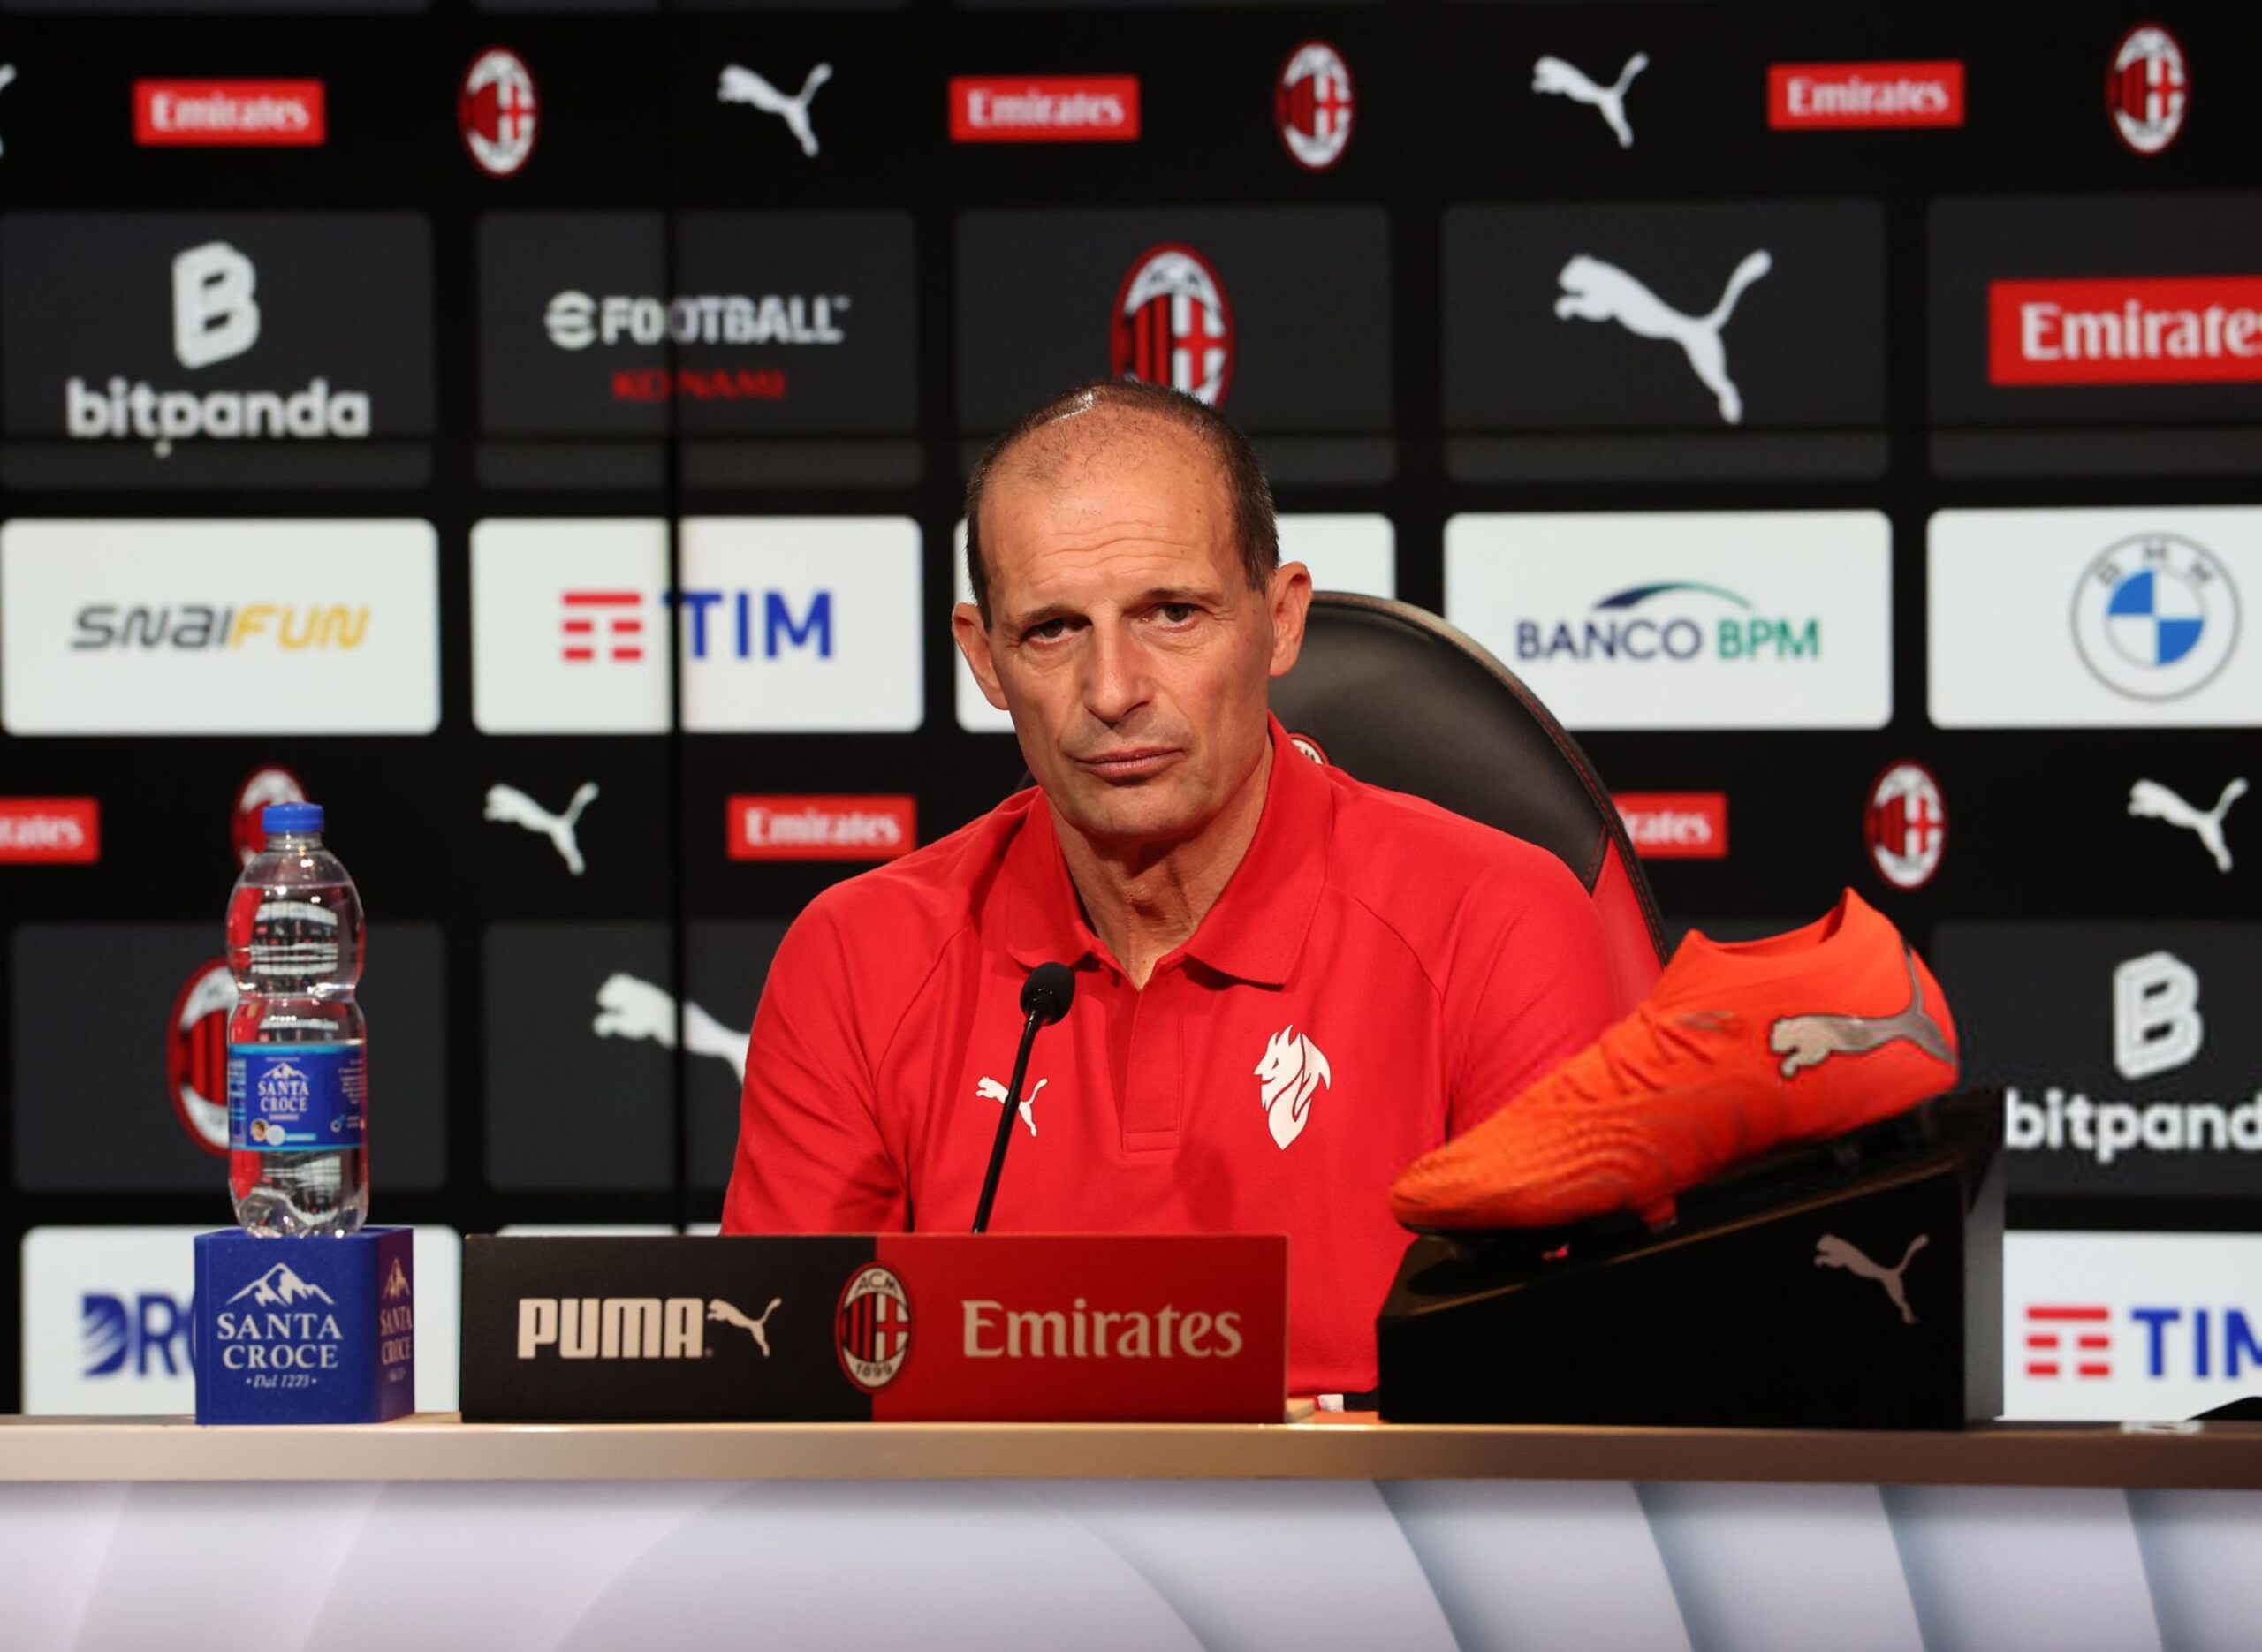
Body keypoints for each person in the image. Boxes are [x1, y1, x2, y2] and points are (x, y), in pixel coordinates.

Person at [722, 379, 1620, 1396]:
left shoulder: (1496, 924)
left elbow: (1568, 1399)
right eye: (1053, 629)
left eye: (1171, 613)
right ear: (983, 657)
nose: (1112, 690)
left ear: (1279, 622)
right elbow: (787, 1404)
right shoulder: (858, 956)